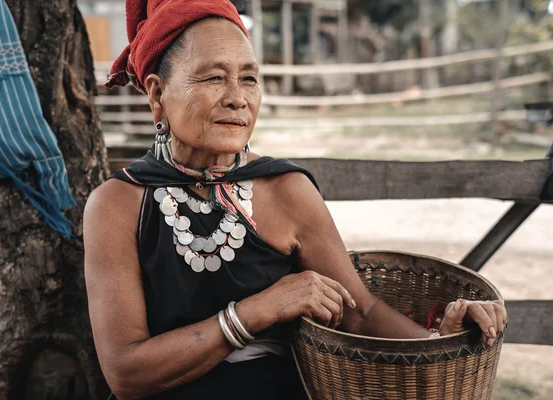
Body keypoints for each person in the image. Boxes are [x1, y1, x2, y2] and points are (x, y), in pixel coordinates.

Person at [83, 1, 508, 399]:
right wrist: (258, 310)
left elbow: (359, 312)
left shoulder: (285, 189)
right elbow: (126, 373)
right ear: (158, 95)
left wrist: (441, 339)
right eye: (214, 77)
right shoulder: (118, 205)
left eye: (249, 78)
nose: (238, 97)